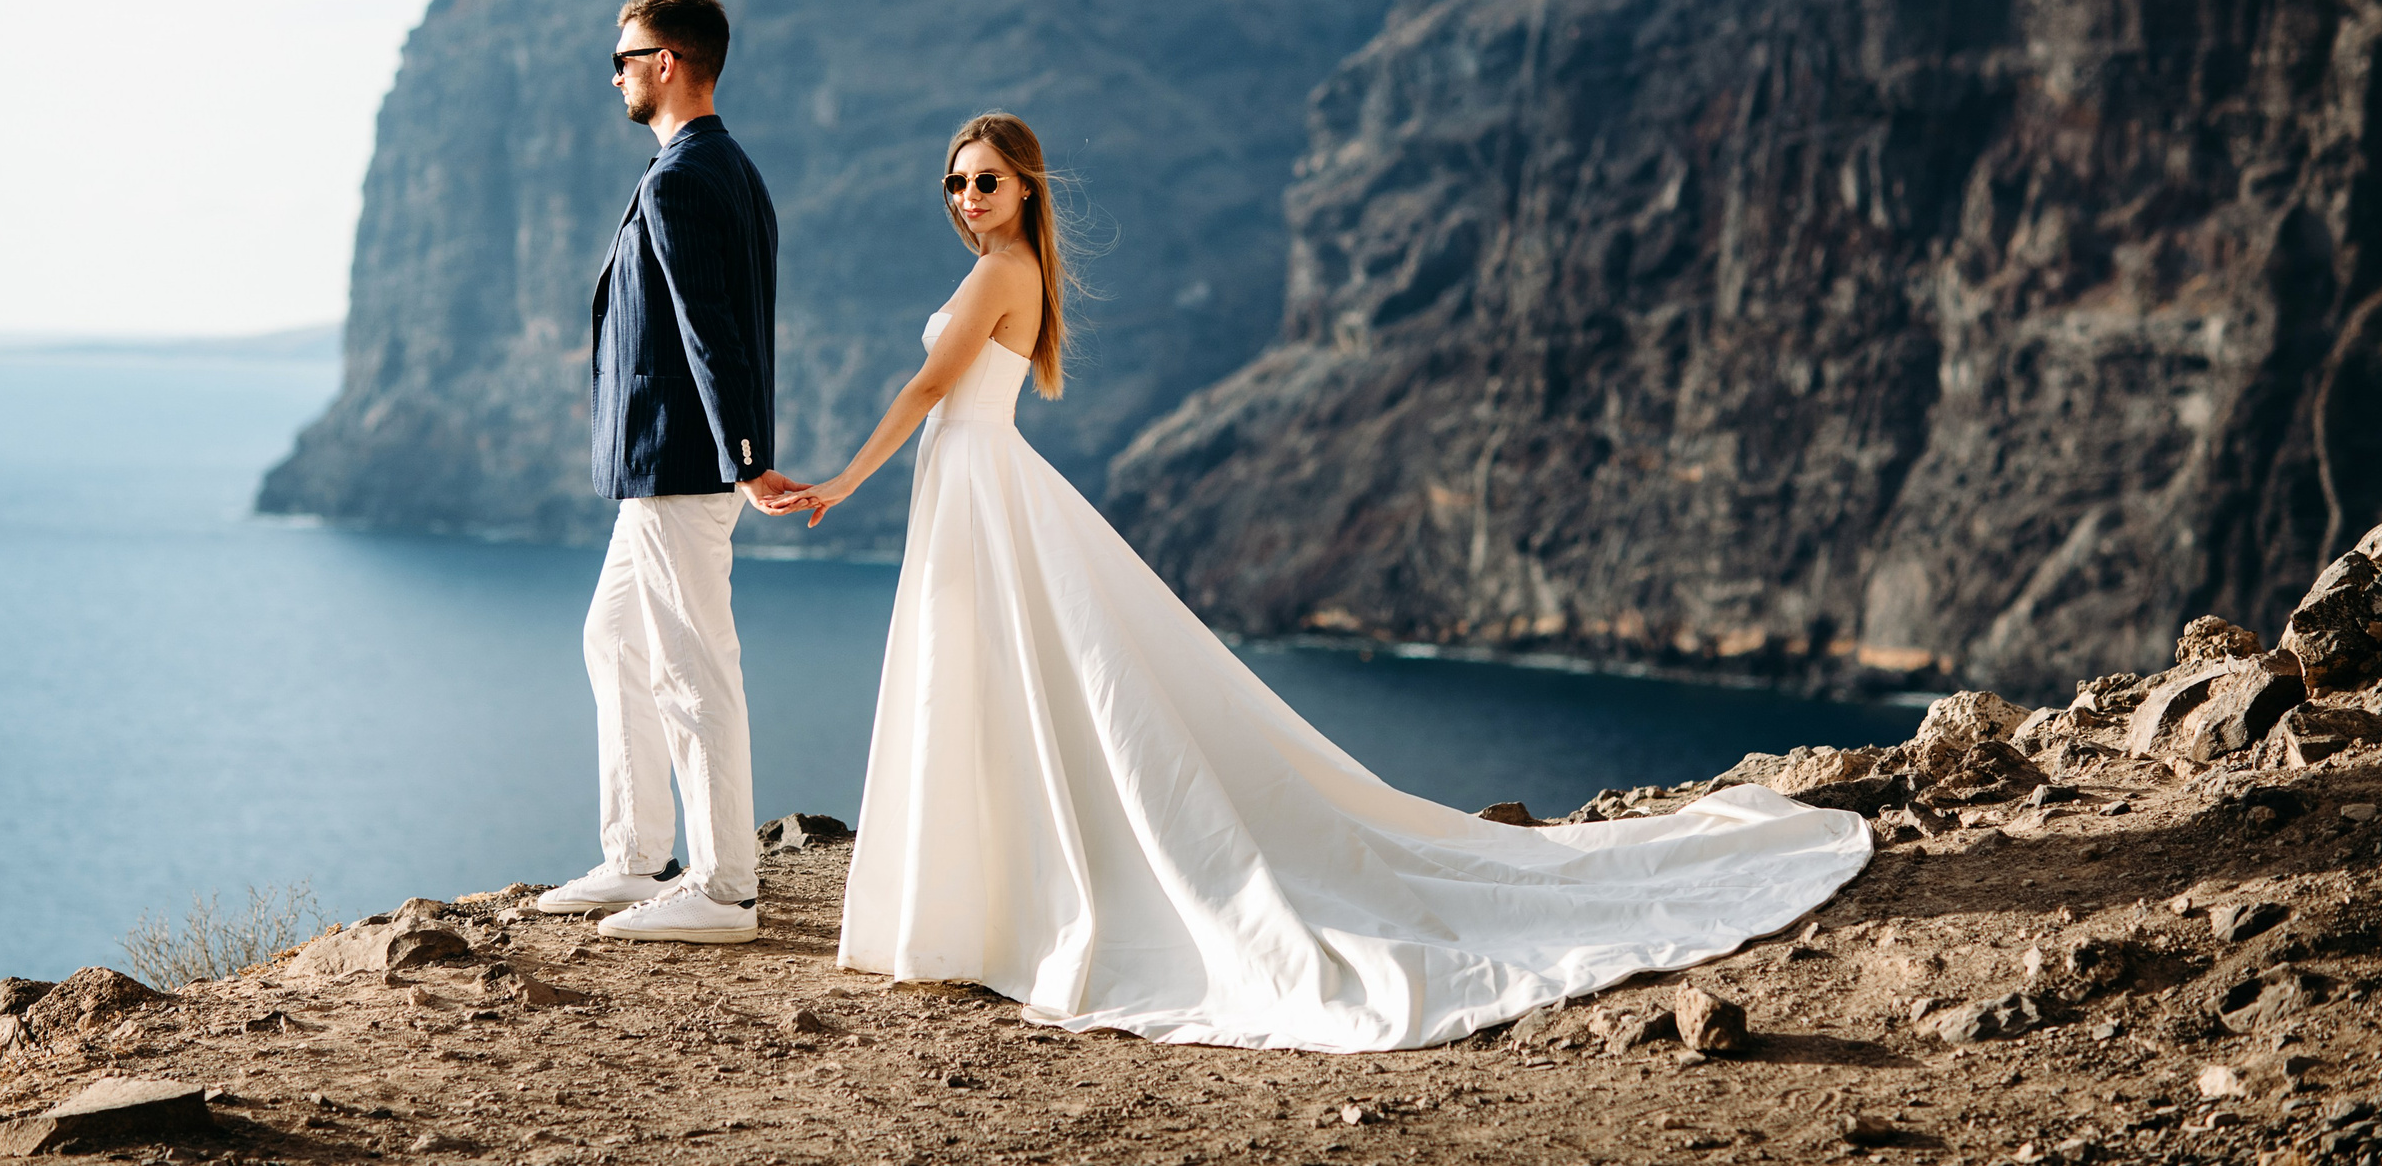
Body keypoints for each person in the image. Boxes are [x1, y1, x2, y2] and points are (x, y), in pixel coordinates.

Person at [762, 112, 1872, 1051]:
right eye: (955, 184)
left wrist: (836, 485)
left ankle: (985, 904)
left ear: (1024, 187)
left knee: (1002, 681)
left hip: (974, 483)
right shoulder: (1011, 269)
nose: (966, 198)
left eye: (986, 182)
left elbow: (923, 391)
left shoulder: (1002, 271)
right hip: (979, 484)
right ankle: (989, 898)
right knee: (1013, 683)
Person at [535, 0, 792, 945]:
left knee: (691, 666)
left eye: (626, 56)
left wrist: (747, 458)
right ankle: (637, 856)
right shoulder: (731, 168)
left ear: (670, 61)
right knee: (615, 639)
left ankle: (725, 889)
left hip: (682, 464)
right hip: (665, 468)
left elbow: (710, 329)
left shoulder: (683, 177)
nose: (616, 73)